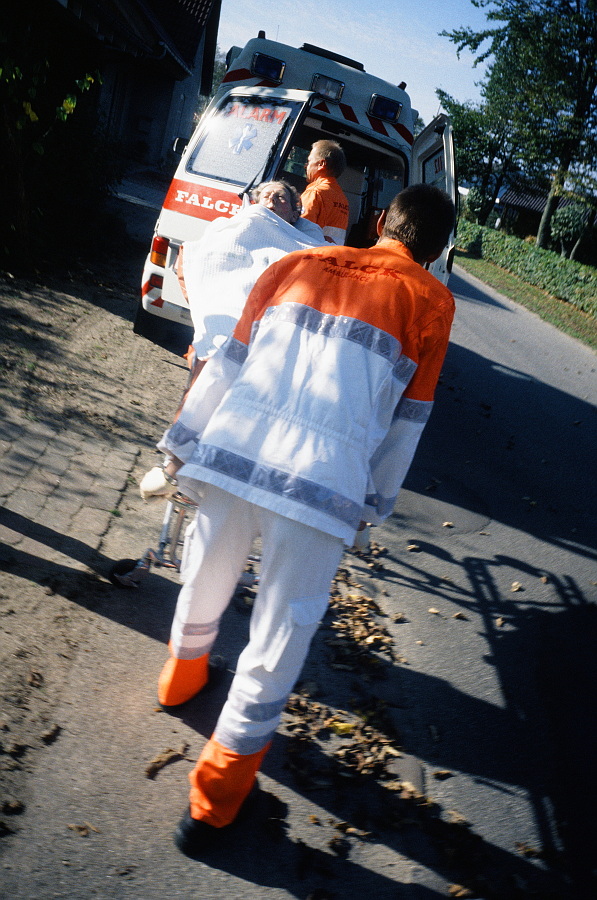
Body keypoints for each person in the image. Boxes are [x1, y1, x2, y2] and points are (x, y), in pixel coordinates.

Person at [155, 183, 456, 855]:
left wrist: (183, 438)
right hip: (322, 483)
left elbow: (229, 362)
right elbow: (407, 422)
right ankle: (217, 801)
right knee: (279, 635)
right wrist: (372, 505)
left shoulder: (294, 264)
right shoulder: (432, 302)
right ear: (436, 253)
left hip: (233, 449)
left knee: (204, 575)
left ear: (380, 223)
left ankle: (180, 680)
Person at [139, 180, 326, 501]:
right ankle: (179, 467)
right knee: (215, 357)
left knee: (243, 368)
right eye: (265, 194)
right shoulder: (232, 227)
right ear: (253, 203)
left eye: (280, 197)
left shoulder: (309, 244)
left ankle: (186, 470)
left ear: (295, 213)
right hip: (229, 317)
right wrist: (209, 310)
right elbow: (199, 258)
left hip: (273, 327)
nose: (271, 199)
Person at [300, 139, 350, 245]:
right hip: (332, 252)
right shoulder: (342, 198)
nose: (306, 166)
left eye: (309, 161)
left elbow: (300, 230)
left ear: (321, 164)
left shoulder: (315, 192)